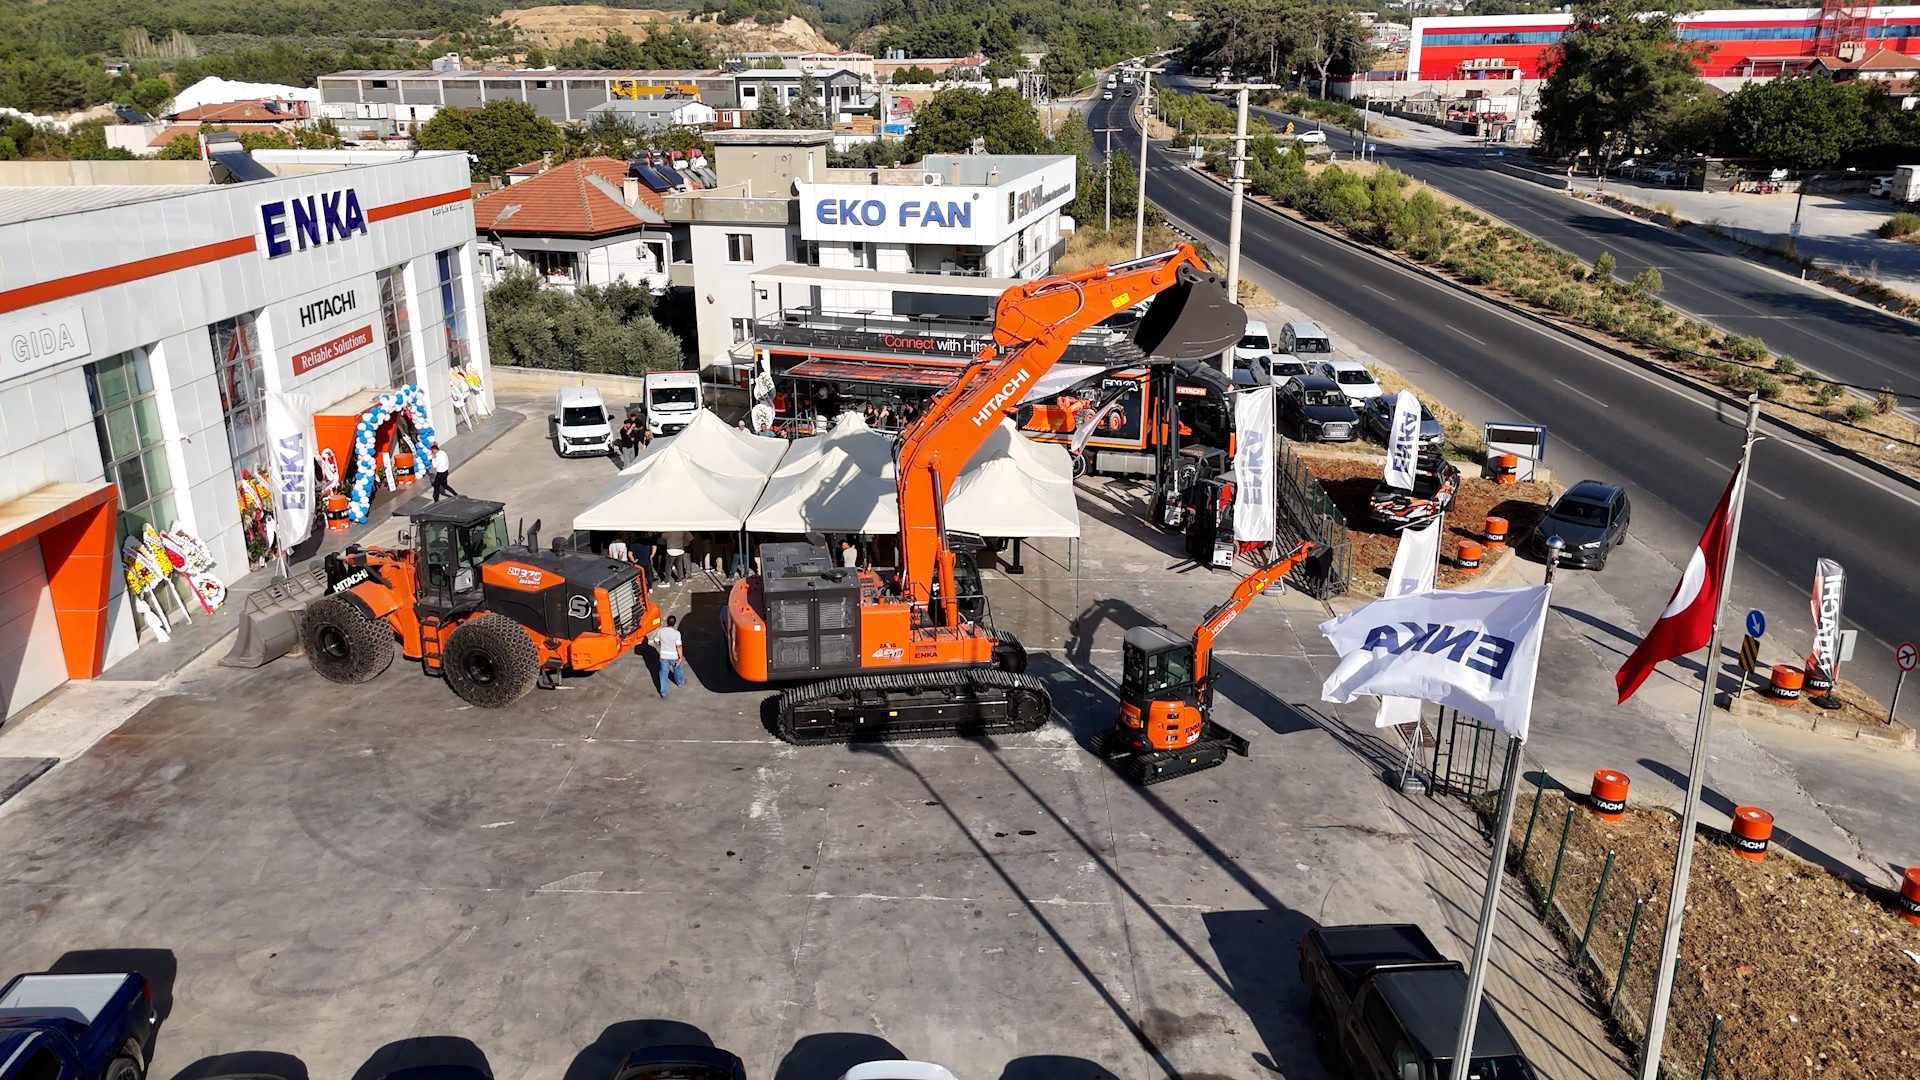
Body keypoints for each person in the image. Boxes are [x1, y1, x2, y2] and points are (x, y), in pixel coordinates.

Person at [649, 614, 686, 697]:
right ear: (674, 623)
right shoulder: (677, 633)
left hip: (664, 656)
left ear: (667, 622)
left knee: (663, 673)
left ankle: (664, 692)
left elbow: (656, 641)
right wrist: (680, 657)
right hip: (674, 656)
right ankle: (680, 683)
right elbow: (679, 646)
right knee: (677, 669)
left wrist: (662, 643)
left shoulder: (661, 631)